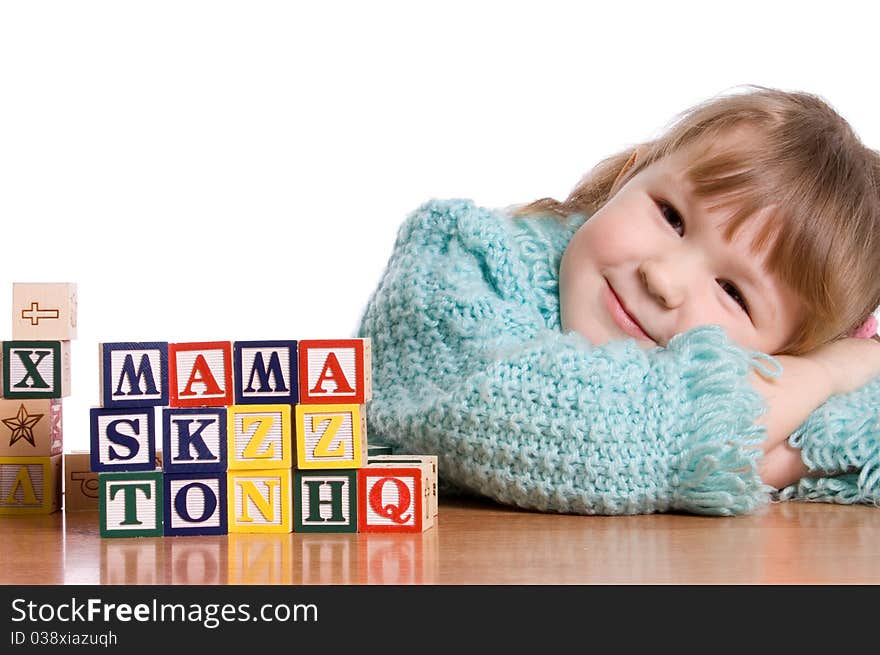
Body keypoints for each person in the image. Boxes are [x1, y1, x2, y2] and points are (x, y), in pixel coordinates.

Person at [356, 85, 880, 516]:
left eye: (733, 292)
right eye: (671, 216)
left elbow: (864, 439)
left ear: (787, 349)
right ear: (630, 174)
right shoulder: (456, 261)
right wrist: (823, 378)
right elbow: (548, 426)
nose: (664, 280)